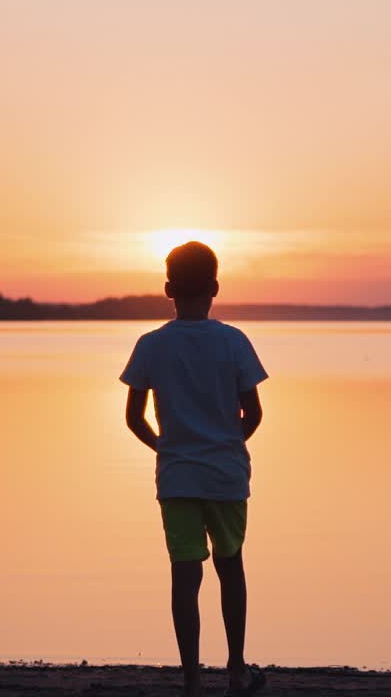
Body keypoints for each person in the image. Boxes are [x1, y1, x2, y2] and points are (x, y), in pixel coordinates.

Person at [120, 241, 269, 697]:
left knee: (185, 577)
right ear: (215, 288)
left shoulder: (150, 345)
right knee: (231, 568)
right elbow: (254, 414)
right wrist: (224, 444)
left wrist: (165, 448)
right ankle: (236, 672)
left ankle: (191, 681)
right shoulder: (234, 341)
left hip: (178, 478)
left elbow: (133, 418)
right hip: (225, 477)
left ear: (168, 288)